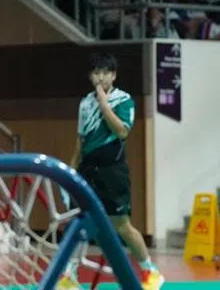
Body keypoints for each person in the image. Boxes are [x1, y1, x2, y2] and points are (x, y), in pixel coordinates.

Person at [66, 53, 163, 290]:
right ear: (90, 76)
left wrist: (104, 104)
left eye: (105, 72)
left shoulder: (124, 101)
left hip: (113, 171)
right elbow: (81, 140)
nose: (101, 77)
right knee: (78, 225)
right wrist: (70, 170)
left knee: (122, 226)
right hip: (87, 170)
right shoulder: (84, 103)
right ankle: (68, 277)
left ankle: (151, 272)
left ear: (114, 75)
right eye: (96, 72)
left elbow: (122, 131)